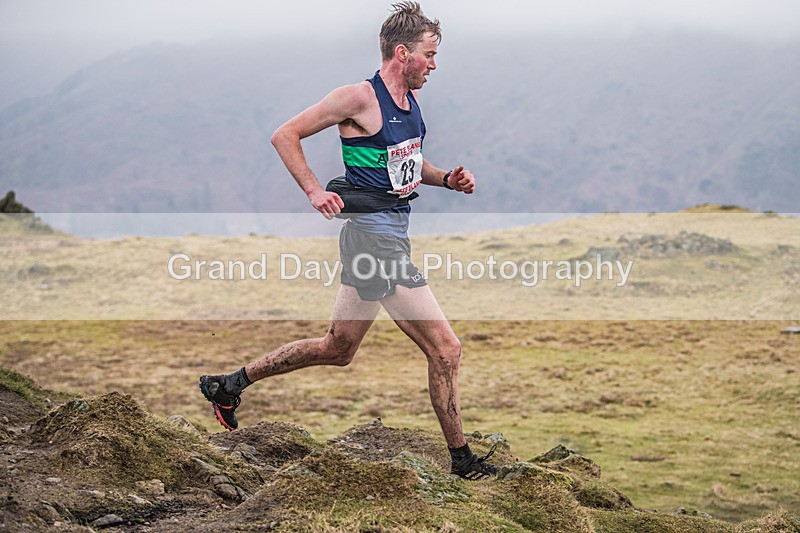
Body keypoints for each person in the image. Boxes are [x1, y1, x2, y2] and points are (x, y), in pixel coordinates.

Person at [199, 1, 499, 480]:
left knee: (338, 347)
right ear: (403, 54)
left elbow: (408, 163)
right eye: (430, 54)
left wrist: (447, 179)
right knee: (446, 349)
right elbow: (285, 135)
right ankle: (463, 462)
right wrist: (315, 190)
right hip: (373, 242)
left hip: (387, 237)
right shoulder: (358, 98)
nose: (435, 64)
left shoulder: (408, 104)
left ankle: (229, 385)